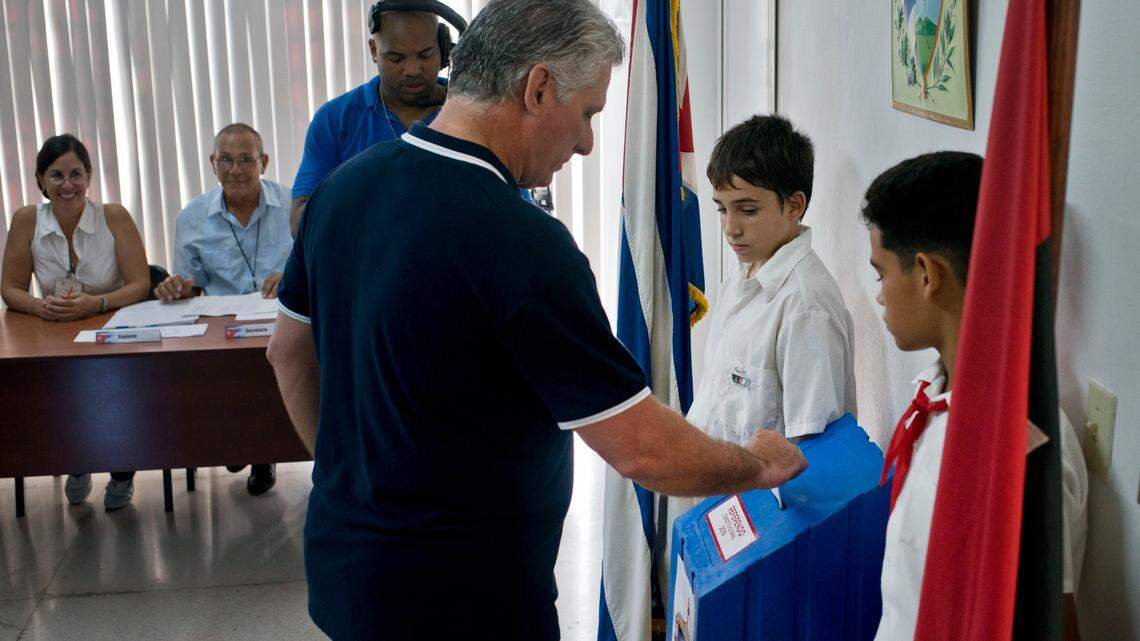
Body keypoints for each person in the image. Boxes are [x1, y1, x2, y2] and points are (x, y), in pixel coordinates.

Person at [266, 1, 807, 638]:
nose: (586, 142)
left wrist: (343, 474)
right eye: (587, 114)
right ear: (538, 87)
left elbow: (287, 352)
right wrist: (758, 465)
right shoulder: (523, 243)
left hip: (347, 575)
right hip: (466, 602)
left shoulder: (341, 190)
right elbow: (641, 449)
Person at [863, 151, 1088, 641]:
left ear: (927, 273)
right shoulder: (936, 397)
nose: (879, 294)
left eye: (881, 273)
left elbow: (1051, 623)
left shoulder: (1017, 450)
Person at [0, 134, 150, 511]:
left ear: (89, 177)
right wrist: (38, 307)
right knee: (62, 391)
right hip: (56, 329)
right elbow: (10, 288)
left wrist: (96, 303)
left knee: (116, 389)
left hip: (114, 324)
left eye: (75, 174)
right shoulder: (27, 220)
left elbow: (140, 283)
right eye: (56, 175)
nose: (67, 185)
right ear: (41, 180)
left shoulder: (113, 216)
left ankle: (121, 469)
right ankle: (77, 459)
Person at [688, 115, 856, 446]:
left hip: (760, 498)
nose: (731, 228)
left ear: (794, 205)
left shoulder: (805, 308)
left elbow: (810, 457)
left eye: (747, 210)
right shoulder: (742, 273)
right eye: (722, 209)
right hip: (714, 493)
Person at [153, 123, 292, 496]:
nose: (236, 170)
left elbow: (318, 264)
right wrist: (176, 288)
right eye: (226, 160)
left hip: (279, 321)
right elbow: (190, 287)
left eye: (246, 159)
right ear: (213, 164)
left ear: (263, 162)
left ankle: (263, 453)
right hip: (220, 329)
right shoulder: (193, 217)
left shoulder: (293, 207)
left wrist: (293, 277)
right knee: (225, 380)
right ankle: (239, 440)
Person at [289, 0, 461, 235]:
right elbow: (300, 222)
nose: (412, 69)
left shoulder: (473, 114)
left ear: (444, 49)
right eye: (396, 58)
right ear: (374, 51)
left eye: (424, 55)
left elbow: (514, 209)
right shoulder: (335, 120)